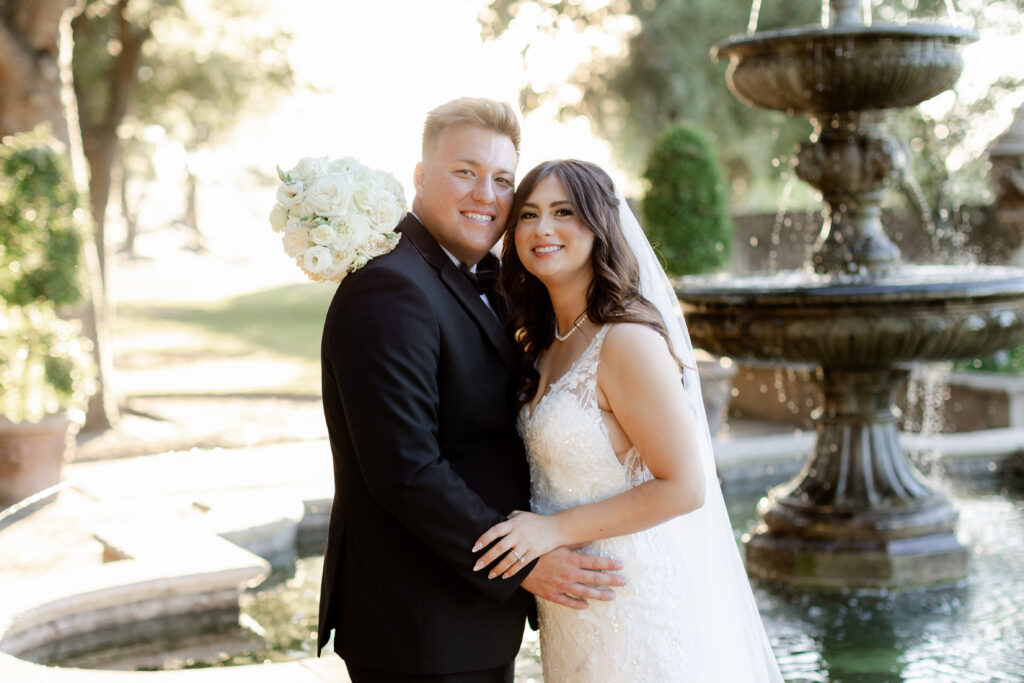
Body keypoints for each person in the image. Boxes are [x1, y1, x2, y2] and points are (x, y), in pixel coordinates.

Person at [316, 101, 626, 683]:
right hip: (422, 629)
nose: (487, 194)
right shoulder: (390, 287)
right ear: (420, 176)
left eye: (503, 180)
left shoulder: (488, 280)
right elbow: (406, 469)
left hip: (466, 623)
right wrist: (523, 564)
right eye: (465, 171)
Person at [473, 159, 785, 681]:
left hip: (630, 599)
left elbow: (685, 486)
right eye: (527, 214)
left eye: (563, 212)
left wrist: (553, 531)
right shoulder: (544, 342)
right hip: (572, 604)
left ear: (599, 227)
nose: (541, 229)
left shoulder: (626, 340)